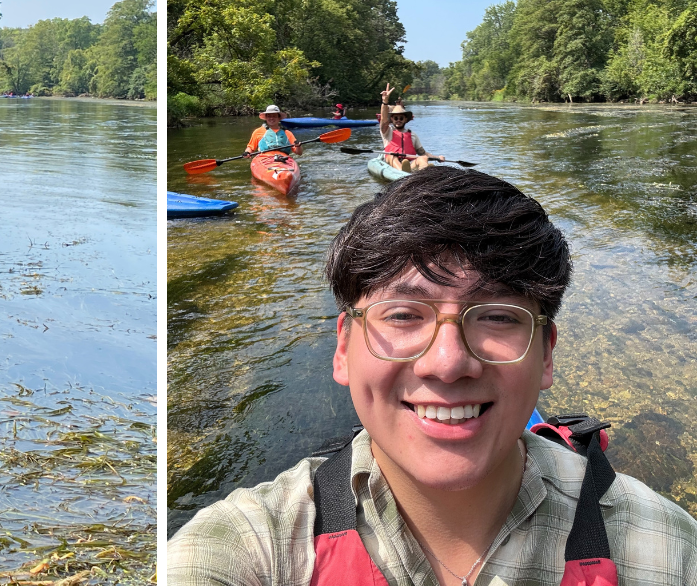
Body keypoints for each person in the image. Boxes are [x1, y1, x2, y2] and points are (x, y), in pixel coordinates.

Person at [168, 168, 697, 584]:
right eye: (402, 314)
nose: (447, 362)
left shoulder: (665, 550)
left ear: (547, 354)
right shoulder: (249, 549)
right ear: (345, 347)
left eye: (496, 316)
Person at [378, 84, 446, 172]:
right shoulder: (387, 131)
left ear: (406, 119)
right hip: (391, 163)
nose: (398, 120)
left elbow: (423, 153)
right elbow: (383, 119)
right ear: (392, 119)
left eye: (401, 118)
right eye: (396, 118)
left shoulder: (413, 135)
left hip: (409, 164)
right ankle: (402, 173)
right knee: (392, 156)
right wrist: (385, 101)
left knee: (423, 158)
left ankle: (425, 174)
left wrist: (437, 157)